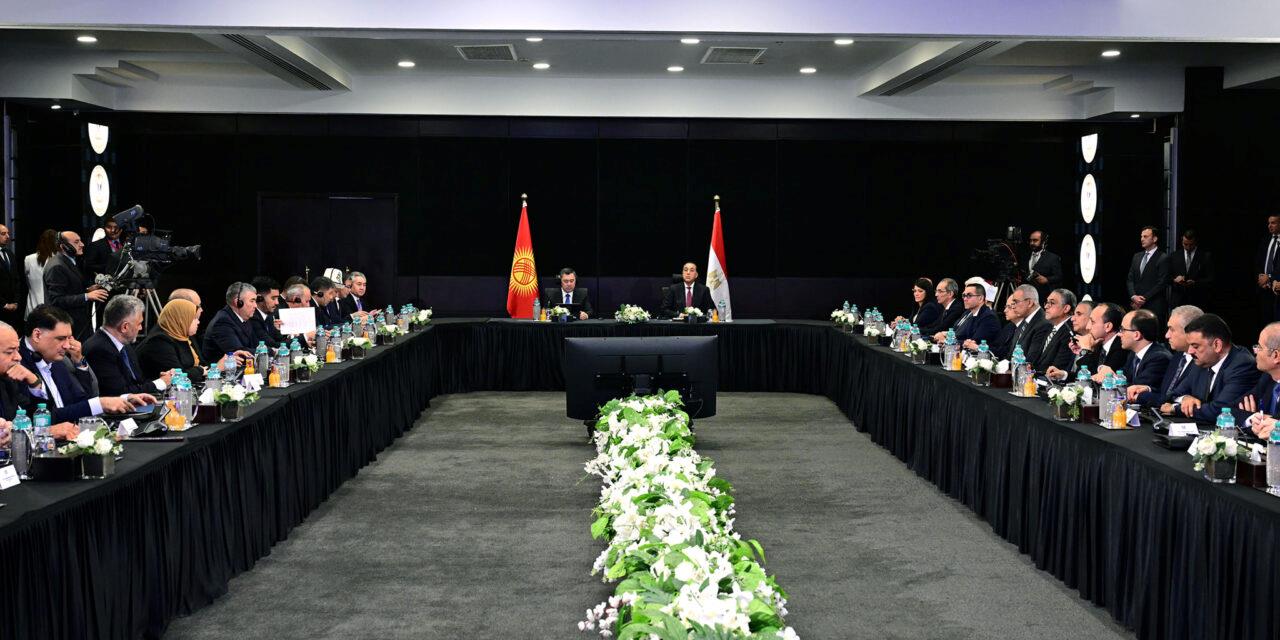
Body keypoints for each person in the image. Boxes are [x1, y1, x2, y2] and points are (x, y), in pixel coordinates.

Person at [19, 305, 152, 423]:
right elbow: (43, 417)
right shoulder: (18, 364)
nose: (67, 345)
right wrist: (100, 404)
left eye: (69, 338)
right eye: (60, 339)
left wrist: (123, 400)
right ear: (37, 335)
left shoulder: (58, 360)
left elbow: (81, 399)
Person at [1162, 313, 1260, 421]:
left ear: (1217, 345)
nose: (1190, 351)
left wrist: (1175, 408)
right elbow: (1173, 394)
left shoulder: (1243, 365)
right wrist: (1185, 398)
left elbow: (1220, 410)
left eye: (1195, 346)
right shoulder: (1202, 362)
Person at [83, 295, 172, 397]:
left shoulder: (124, 344)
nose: (141, 328)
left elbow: (137, 382)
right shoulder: (98, 350)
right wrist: (160, 383)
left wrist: (162, 379)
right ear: (125, 327)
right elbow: (120, 393)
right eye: (139, 323)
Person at [137, 298, 235, 383]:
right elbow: (177, 376)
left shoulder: (183, 337)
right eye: (194, 318)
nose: (198, 322)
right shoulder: (159, 342)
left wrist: (216, 366)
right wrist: (213, 369)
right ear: (181, 320)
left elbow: (201, 366)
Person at [1129, 305, 1206, 409]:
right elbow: (1167, 394)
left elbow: (1176, 400)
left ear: (1189, 332)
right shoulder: (1178, 356)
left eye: (1171, 329)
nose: (1167, 335)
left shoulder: (1203, 362)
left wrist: (1144, 396)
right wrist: (1148, 389)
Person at [43, 231, 108, 341]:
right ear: (63, 247)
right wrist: (87, 296)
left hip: (77, 324)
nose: (82, 244)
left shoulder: (70, 261)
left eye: (80, 241)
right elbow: (56, 300)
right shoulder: (57, 266)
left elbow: (69, 289)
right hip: (69, 325)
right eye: (77, 242)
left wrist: (87, 290)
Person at [1048, 302, 1127, 382]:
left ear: (1108, 326)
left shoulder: (1121, 347)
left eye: (1092, 322)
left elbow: (1093, 381)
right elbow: (1085, 374)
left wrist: (1086, 350)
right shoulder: (1099, 345)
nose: (1088, 327)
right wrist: (1064, 375)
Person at [1099, 309, 1171, 390]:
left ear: (1136, 335)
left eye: (1123, 330)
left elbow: (1136, 389)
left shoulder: (1159, 358)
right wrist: (1108, 374)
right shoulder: (1134, 353)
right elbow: (1124, 376)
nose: (1119, 334)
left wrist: (1112, 378)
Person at [1234, 322, 1280, 438]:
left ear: (1276, 356)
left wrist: (1275, 424)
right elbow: (1230, 411)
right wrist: (1253, 418)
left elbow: (1275, 424)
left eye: (1259, 347)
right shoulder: (1267, 379)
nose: (1255, 352)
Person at [202, 283, 259, 364]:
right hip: (221, 371)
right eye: (252, 301)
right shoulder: (222, 322)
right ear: (238, 302)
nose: (255, 305)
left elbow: (256, 345)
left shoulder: (244, 318)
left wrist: (269, 350)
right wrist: (269, 352)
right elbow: (240, 354)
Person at [1125, 226, 1170, 323]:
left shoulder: (1163, 257)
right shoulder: (1137, 256)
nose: (1142, 239)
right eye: (1141, 236)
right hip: (1136, 305)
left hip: (1154, 306)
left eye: (1145, 236)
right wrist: (1133, 296)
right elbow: (1130, 279)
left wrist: (1143, 299)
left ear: (1154, 239)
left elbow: (1162, 283)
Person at [991, 284, 1048, 360]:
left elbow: (1031, 360)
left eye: (1016, 302)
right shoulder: (1024, 322)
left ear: (1029, 303)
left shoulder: (1043, 324)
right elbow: (1010, 355)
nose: (1013, 307)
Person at [1031, 289, 1076, 373]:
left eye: (1052, 303)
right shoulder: (1049, 328)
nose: (1046, 306)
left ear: (1066, 308)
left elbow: (1057, 369)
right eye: (1047, 302)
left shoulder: (1070, 332)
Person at [1169, 229, 1213, 308]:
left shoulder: (1205, 256)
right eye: (1185, 244)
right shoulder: (1174, 256)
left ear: (1195, 242)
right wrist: (1175, 280)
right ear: (1182, 241)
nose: (1188, 247)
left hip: (1197, 300)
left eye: (1191, 244)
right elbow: (1166, 277)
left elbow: (1211, 279)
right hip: (1178, 301)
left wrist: (1195, 282)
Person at [950, 282, 1000, 347]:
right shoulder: (972, 314)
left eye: (969, 295)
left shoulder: (989, 317)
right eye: (964, 295)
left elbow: (974, 342)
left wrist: (950, 341)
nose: (965, 299)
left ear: (980, 298)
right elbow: (962, 336)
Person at [23, 228, 58, 317]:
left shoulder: (28, 259)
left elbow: (27, 281)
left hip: (33, 306)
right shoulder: (58, 260)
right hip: (52, 309)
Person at [83, 218, 125, 286]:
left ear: (121, 229)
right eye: (109, 227)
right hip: (105, 285)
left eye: (116, 227)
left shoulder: (127, 243)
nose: (112, 230)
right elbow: (88, 266)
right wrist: (110, 267)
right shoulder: (95, 245)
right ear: (104, 228)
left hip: (126, 283)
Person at [1025, 230, 1063, 303]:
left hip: (1044, 297)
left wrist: (1047, 279)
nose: (1032, 243)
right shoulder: (1024, 256)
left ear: (1043, 242)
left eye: (1035, 240)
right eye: (1030, 240)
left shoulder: (1052, 258)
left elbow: (1059, 277)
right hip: (1026, 297)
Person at [1256, 214, 1280, 326]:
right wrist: (1260, 277)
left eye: (1273, 223)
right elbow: (1258, 261)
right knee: (1265, 322)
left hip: (1277, 288)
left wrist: (1269, 277)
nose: (1269, 226)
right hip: (1264, 288)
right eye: (1269, 223)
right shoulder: (1265, 240)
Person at [250, 276, 285, 347]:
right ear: (259, 298)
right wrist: (303, 338)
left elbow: (279, 339)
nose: (277, 303)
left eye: (277, 298)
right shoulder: (253, 317)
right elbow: (272, 345)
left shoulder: (269, 315)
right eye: (273, 298)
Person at [0, 224, 24, 328]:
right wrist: (3, 304)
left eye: (8, 233)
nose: (8, 236)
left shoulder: (9, 253)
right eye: (3, 234)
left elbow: (16, 279)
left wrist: (16, 302)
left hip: (13, 309)